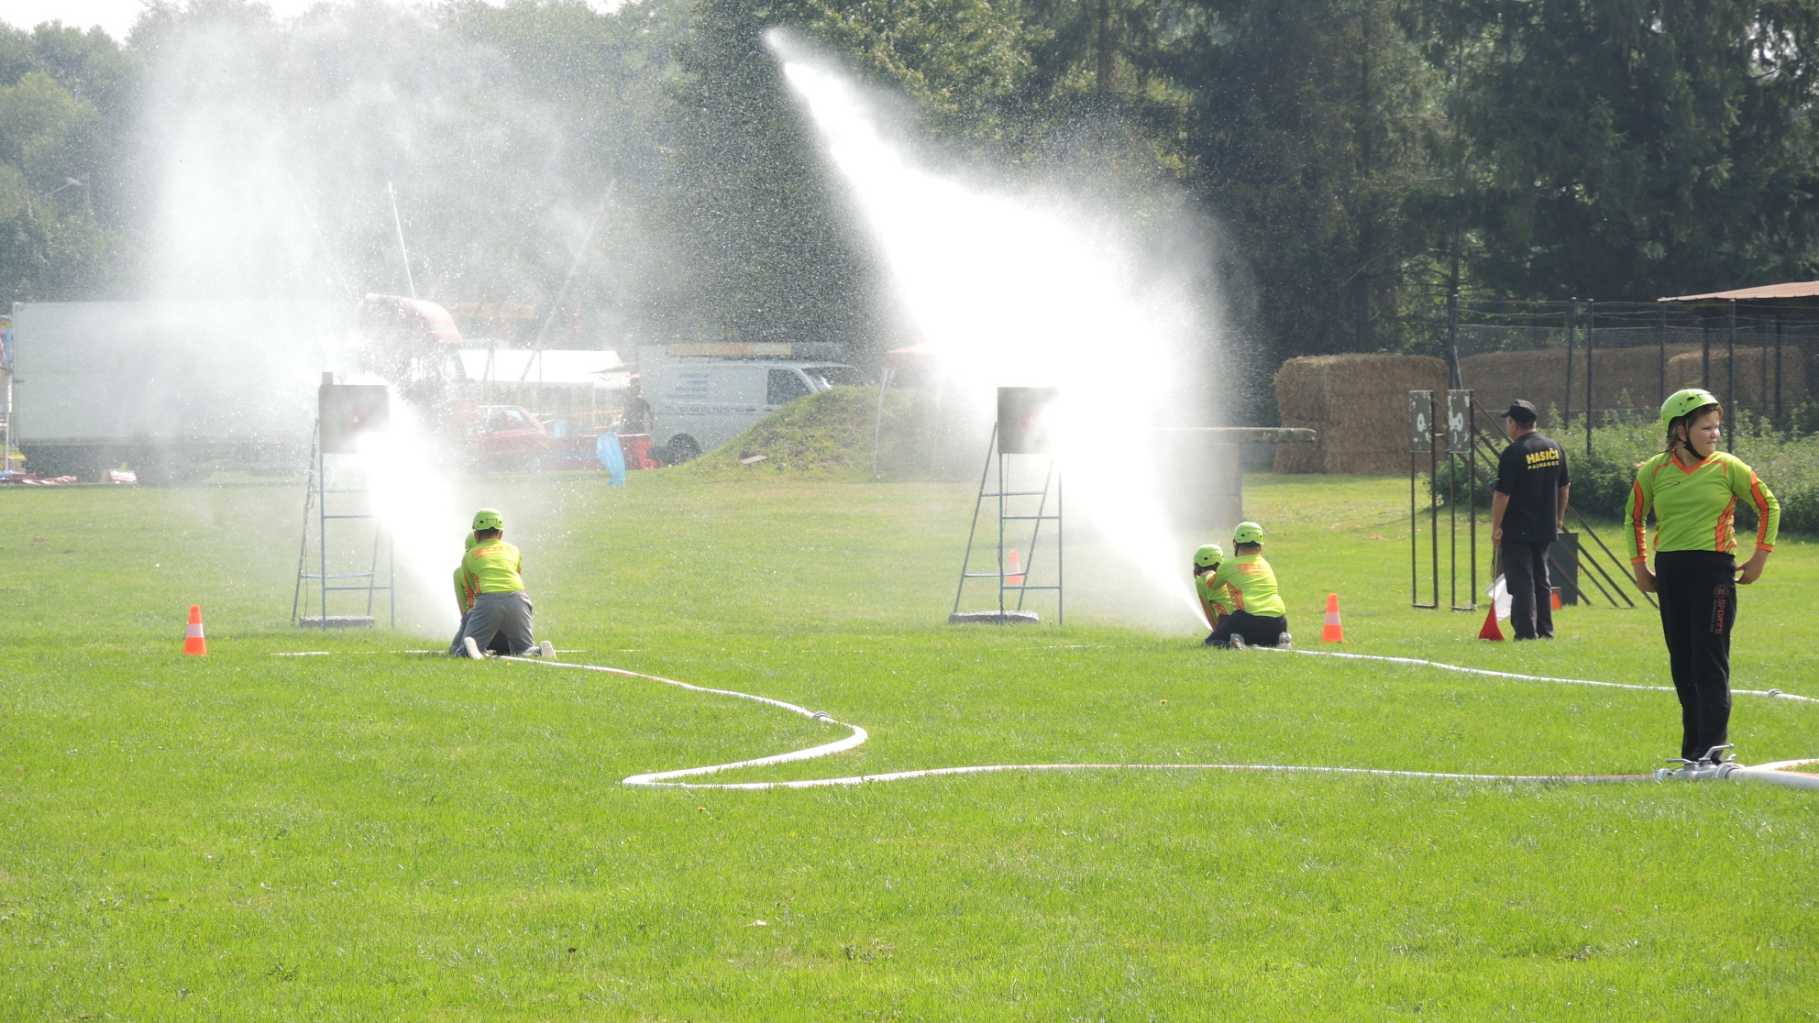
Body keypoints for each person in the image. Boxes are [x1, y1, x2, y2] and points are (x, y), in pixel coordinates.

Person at [1625, 388, 1779, 769]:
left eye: (1717, 427)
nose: (1714, 435)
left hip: (1715, 573)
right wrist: (1640, 565)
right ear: (1680, 430)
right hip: (1672, 572)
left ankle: (1713, 751)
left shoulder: (1728, 467)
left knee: (1710, 660)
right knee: (1683, 662)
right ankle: (1692, 754)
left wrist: (1761, 555)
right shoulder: (1654, 471)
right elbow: (1633, 518)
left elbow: (1768, 505)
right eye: (1706, 427)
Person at [1490, 399, 1571, 639]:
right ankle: (1545, 629)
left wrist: (1496, 527)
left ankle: (1525, 632)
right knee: (1541, 578)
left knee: (1522, 580)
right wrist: (1558, 518)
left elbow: (1502, 494)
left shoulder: (1513, 452)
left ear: (1514, 423)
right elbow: (1565, 487)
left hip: (1517, 528)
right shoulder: (1554, 447)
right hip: (1545, 525)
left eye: (1509, 421)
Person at [452, 508, 555, 660]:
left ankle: (476, 651)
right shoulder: (514, 550)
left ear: (476, 534)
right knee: (523, 648)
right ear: (501, 533)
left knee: (465, 650)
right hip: (519, 599)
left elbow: (472, 589)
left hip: (488, 600)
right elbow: (517, 574)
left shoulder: (470, 556)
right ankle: (538, 650)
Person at [1202, 521, 1291, 649]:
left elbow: (1212, 585)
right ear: (1260, 545)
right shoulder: (1265, 564)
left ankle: (1235, 643)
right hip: (1279, 621)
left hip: (1248, 619)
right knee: (1264, 642)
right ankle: (1280, 640)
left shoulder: (1227, 565)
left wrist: (1209, 573)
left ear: (1235, 543)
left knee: (1210, 642)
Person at [448, 531, 510, 657]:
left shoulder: (460, 571)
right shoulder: (500, 566)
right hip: (505, 621)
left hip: (477, 618)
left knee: (455, 649)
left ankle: (478, 650)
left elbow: (463, 607)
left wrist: (467, 624)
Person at [1191, 542, 1233, 644]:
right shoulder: (1227, 574)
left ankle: (1229, 644)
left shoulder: (1200, 581)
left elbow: (1209, 611)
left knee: (1210, 642)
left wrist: (1216, 632)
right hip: (1243, 616)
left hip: (1227, 619)